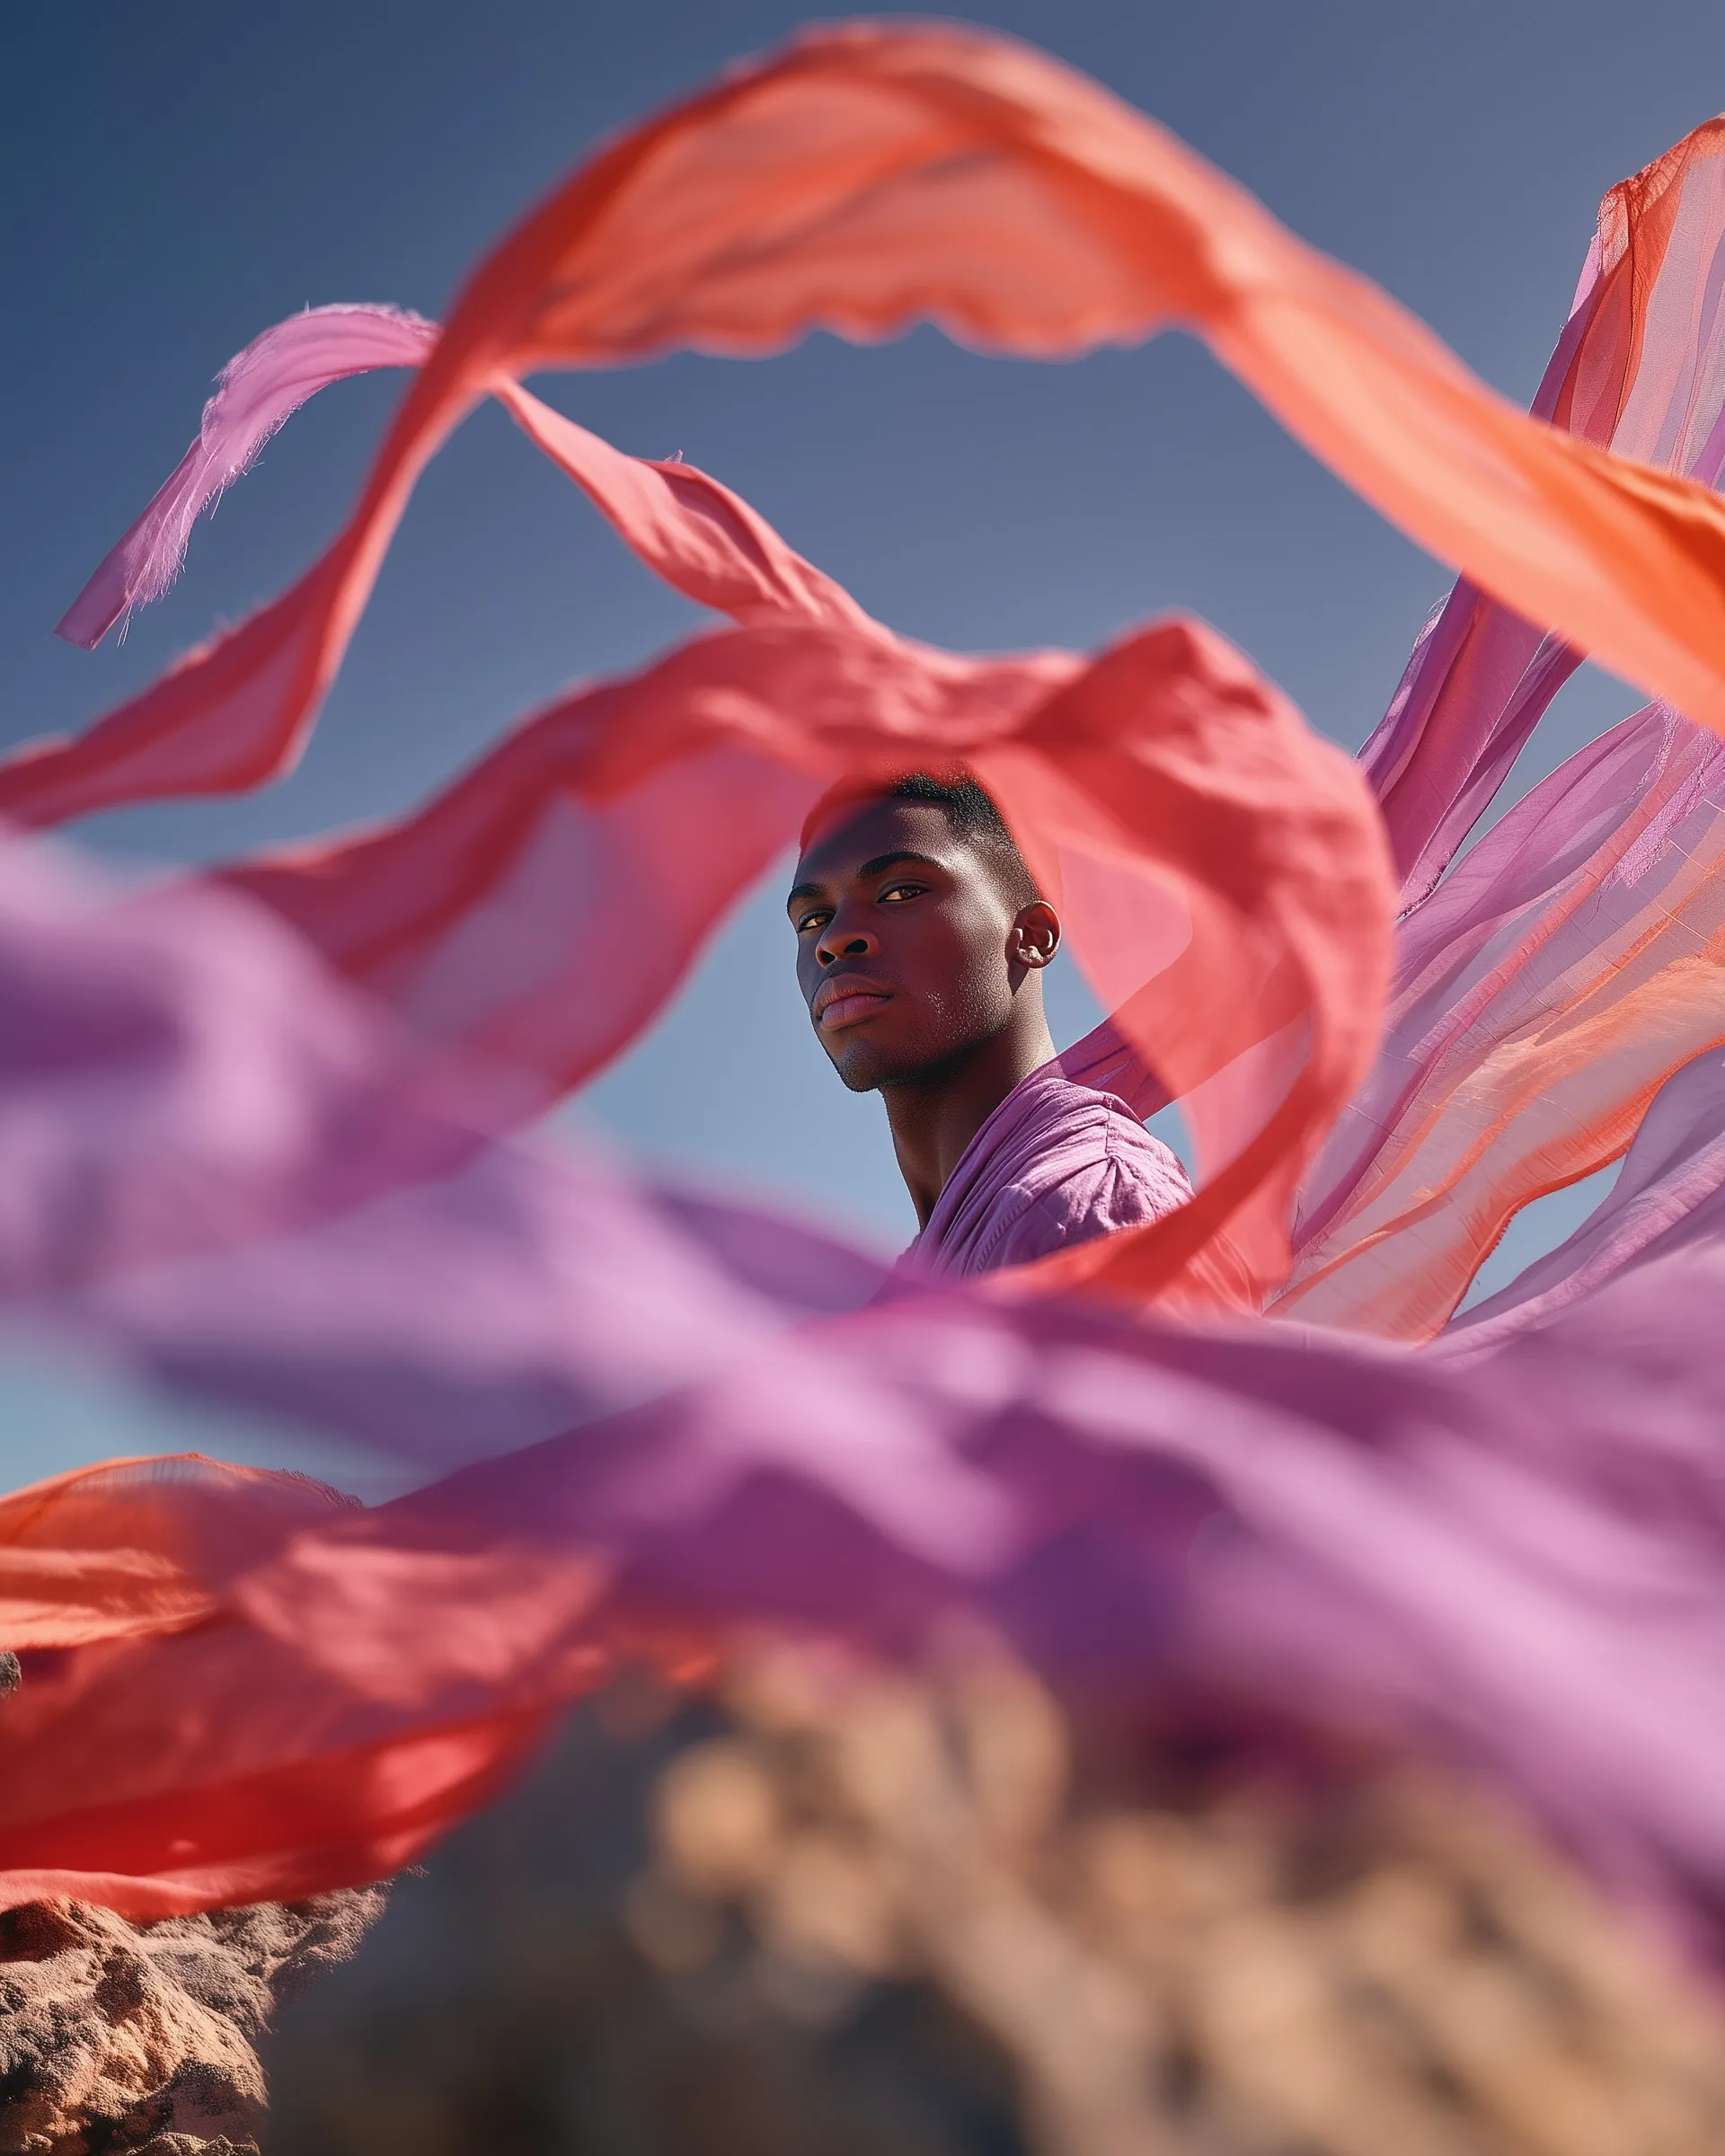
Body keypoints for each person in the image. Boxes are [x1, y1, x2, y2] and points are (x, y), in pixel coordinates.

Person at [788, 772, 1192, 1278]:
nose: (835, 938)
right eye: (811, 919)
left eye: (900, 892)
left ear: (1031, 935)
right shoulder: (929, 1267)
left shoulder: (1087, 1207)